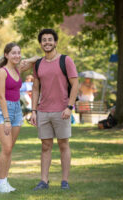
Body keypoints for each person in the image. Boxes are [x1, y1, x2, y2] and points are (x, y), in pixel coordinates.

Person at [30, 29, 79, 190]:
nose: (47, 42)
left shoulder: (66, 60)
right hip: (43, 111)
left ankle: (65, 181)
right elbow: (36, 89)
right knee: (45, 146)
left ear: (56, 42)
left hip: (62, 111)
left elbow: (75, 85)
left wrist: (69, 107)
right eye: (44, 40)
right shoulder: (38, 64)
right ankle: (44, 181)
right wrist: (33, 110)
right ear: (40, 44)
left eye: (50, 39)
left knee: (63, 144)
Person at [0, 42, 39, 193]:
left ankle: (5, 182)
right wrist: (6, 120)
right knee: (6, 148)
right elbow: (1, 97)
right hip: (3, 111)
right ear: (6, 55)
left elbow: (37, 59)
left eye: (19, 52)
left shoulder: (18, 68)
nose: (17, 55)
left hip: (17, 111)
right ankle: (1, 183)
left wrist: (26, 59)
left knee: (10, 149)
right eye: (13, 53)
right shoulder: (2, 72)